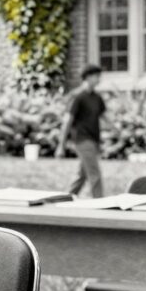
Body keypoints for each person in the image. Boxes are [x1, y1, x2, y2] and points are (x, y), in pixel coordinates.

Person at [56, 64, 108, 198]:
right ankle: (100, 203)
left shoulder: (97, 98)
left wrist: (118, 130)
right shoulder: (78, 97)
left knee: (82, 175)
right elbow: (67, 121)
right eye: (97, 76)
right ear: (88, 77)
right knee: (95, 174)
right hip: (82, 140)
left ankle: (65, 199)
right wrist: (61, 146)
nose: (99, 80)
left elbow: (104, 116)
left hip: (93, 139)